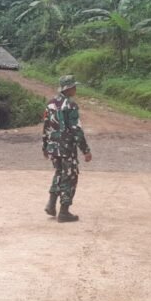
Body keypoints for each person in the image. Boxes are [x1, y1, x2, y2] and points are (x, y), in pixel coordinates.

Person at [41, 75, 92, 223]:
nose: (76, 89)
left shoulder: (50, 104)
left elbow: (46, 126)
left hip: (53, 146)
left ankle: (51, 203)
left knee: (59, 172)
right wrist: (85, 150)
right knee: (70, 176)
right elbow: (76, 129)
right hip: (67, 148)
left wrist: (45, 146)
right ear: (68, 89)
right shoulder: (70, 106)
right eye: (74, 87)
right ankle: (64, 211)